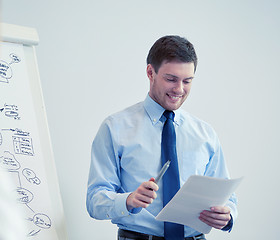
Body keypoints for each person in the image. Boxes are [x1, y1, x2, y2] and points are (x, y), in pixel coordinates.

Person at [86, 35, 237, 240]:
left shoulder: (205, 134)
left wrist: (227, 215)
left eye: (187, 81)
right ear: (151, 72)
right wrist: (129, 200)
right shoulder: (115, 128)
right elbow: (94, 201)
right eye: (171, 79)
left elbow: (227, 198)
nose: (179, 89)